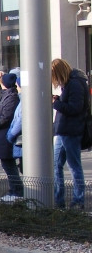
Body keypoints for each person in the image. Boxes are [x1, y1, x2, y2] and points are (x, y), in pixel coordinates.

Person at [51, 57, 88, 210]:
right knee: (57, 165)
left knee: (73, 166)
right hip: (64, 130)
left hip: (70, 130)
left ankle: (78, 200)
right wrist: (59, 100)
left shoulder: (74, 84)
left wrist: (56, 103)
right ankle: (59, 199)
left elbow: (75, 108)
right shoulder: (72, 83)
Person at [0, 72, 23, 201]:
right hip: (2, 134)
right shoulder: (7, 96)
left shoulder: (11, 97)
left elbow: (5, 117)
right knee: (8, 164)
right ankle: (15, 189)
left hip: (5, 135)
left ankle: (17, 190)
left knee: (9, 164)